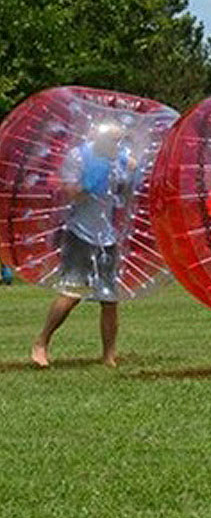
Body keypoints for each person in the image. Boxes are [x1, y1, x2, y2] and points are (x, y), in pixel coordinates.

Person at [31, 121, 136, 368]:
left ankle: (109, 355)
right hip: (80, 233)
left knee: (109, 298)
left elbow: (125, 194)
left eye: (120, 141)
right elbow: (69, 191)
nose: (117, 146)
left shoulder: (120, 160)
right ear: (100, 138)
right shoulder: (79, 156)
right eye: (113, 140)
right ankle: (41, 342)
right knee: (72, 293)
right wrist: (88, 184)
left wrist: (130, 174)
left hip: (107, 236)